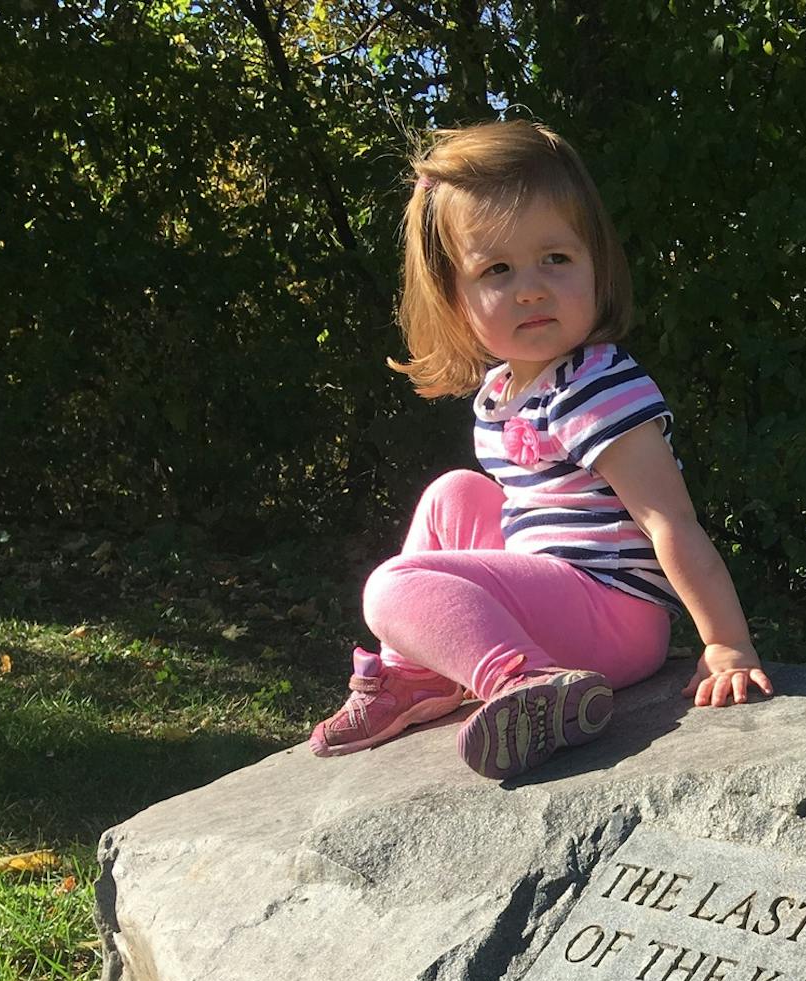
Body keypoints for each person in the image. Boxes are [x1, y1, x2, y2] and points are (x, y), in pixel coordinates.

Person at [311, 120, 771, 779]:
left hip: (613, 612)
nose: (531, 287)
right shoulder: (503, 390)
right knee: (452, 493)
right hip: (561, 590)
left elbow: (667, 518)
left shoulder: (597, 382)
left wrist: (726, 641)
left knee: (390, 586)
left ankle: (524, 683)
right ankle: (418, 678)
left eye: (555, 259)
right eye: (497, 269)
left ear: (596, 266)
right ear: (455, 299)